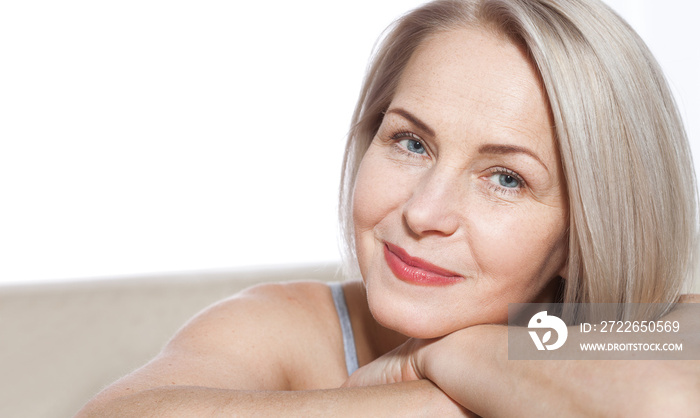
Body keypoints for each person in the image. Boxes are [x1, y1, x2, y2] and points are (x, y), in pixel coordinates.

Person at [77, 0, 699, 416]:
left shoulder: (650, 325)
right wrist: (446, 395)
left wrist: (444, 357)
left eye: (505, 178)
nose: (425, 212)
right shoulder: (283, 328)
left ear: (583, 232)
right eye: (410, 141)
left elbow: (666, 402)